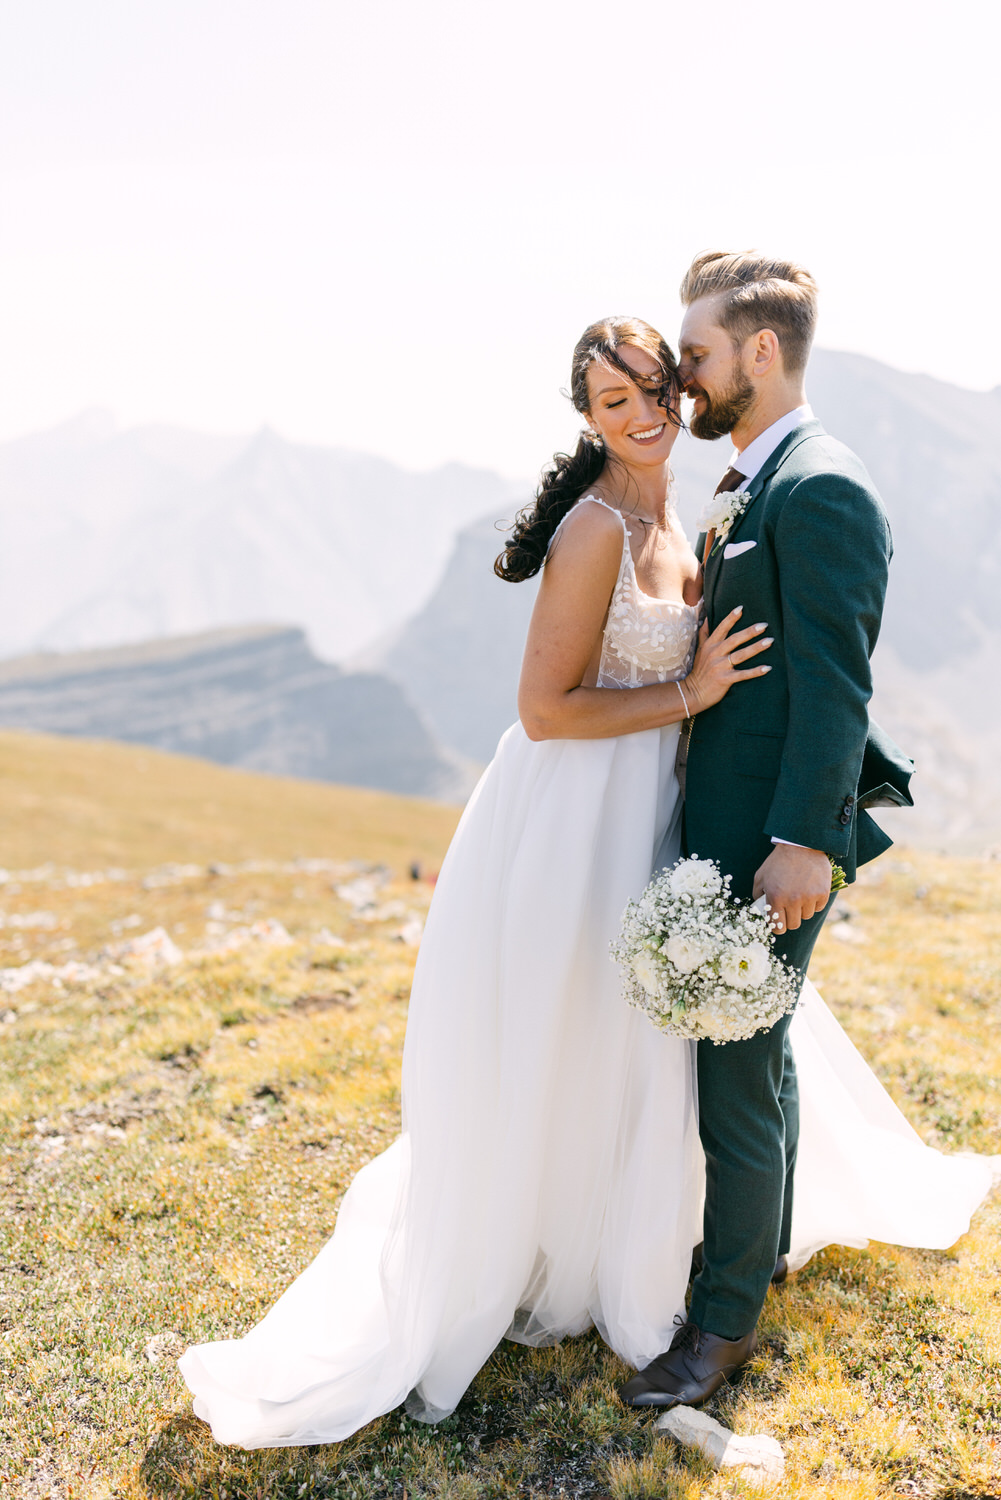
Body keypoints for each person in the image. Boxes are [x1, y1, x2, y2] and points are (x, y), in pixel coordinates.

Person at [179, 307, 992, 1448]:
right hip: (571, 822)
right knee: (564, 1036)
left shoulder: (693, 509)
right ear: (587, 419)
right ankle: (549, 1245)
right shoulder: (596, 529)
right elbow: (543, 710)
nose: (648, 413)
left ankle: (643, 1238)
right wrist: (687, 697)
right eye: (617, 403)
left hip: (651, 813)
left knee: (638, 1047)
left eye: (659, 387)